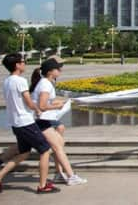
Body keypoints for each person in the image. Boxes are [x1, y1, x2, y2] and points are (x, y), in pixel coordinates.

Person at [0, 53, 59, 194]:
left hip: (16, 122)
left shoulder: (7, 81)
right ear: (17, 65)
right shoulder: (20, 81)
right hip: (25, 121)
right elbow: (28, 102)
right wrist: (38, 109)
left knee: (24, 153)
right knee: (45, 150)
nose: (25, 64)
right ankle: (42, 185)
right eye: (23, 61)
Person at [31, 57, 87, 186]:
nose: (60, 70)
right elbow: (42, 105)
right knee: (57, 147)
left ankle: (59, 174)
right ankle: (70, 176)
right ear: (50, 71)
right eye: (58, 69)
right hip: (41, 121)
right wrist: (58, 106)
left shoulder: (45, 82)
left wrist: (61, 102)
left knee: (59, 145)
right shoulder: (45, 84)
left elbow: (45, 102)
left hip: (42, 120)